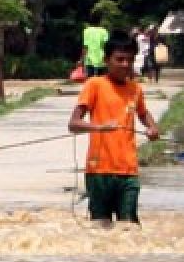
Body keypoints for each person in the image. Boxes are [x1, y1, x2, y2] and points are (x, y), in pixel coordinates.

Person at [67, 30, 161, 225]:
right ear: (106, 60)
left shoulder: (135, 88)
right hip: (98, 171)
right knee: (100, 226)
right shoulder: (95, 85)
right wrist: (100, 127)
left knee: (129, 226)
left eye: (129, 60)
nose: (125, 65)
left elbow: (143, 114)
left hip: (129, 171)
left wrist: (152, 128)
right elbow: (74, 124)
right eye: (119, 59)